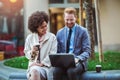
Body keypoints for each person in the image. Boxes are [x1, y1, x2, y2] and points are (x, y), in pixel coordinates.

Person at [53, 7, 91, 80]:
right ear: (64, 18)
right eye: (67, 20)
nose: (69, 22)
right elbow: (57, 50)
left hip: (79, 62)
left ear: (75, 18)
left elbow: (87, 51)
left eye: (71, 20)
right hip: (63, 62)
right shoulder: (59, 33)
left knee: (71, 71)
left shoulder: (83, 31)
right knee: (56, 72)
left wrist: (77, 59)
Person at [24, 11, 57, 80]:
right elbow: (28, 55)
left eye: (46, 26)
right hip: (33, 66)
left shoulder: (52, 37)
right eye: (42, 27)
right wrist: (32, 52)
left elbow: (53, 54)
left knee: (35, 72)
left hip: (46, 67)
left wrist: (42, 63)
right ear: (36, 28)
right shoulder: (30, 38)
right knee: (35, 71)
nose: (45, 28)